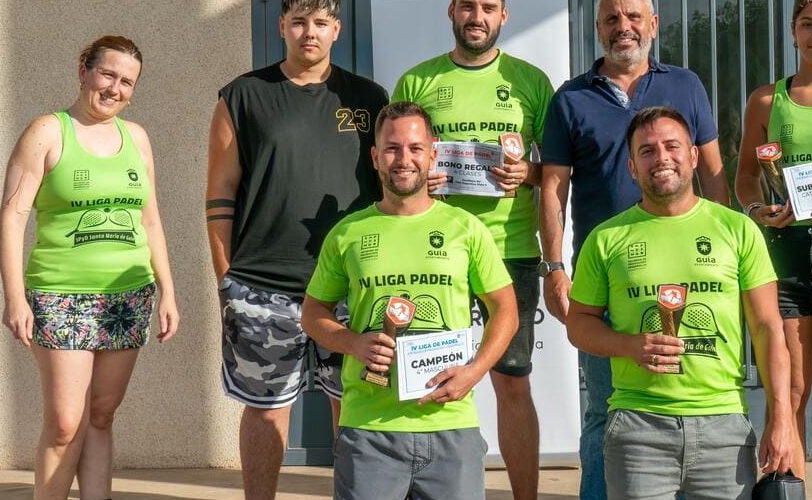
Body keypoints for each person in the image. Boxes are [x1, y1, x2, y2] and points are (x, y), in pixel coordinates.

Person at [538, 1, 727, 496]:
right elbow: (553, 187)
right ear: (598, 28)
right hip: (608, 280)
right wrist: (555, 265)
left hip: (692, 275)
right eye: (612, 19)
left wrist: (727, 240)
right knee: (605, 408)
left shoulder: (685, 86)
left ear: (653, 25)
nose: (624, 28)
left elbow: (712, 171)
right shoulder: (570, 99)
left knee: (696, 403)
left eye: (634, 17)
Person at [204, 0, 387, 497]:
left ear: (337, 31)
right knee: (265, 410)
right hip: (262, 283)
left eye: (321, 23)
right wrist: (227, 275)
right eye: (300, 22)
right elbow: (220, 192)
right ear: (282, 26)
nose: (310, 33)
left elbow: (391, 182)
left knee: (354, 405)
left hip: (350, 285)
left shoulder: (368, 98)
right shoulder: (243, 96)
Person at [567, 107, 798, 499]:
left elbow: (768, 327)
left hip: (723, 424)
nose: (662, 158)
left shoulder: (737, 229)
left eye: (672, 146)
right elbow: (578, 324)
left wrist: (783, 418)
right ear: (631, 168)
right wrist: (629, 346)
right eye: (647, 151)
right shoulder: (606, 239)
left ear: (693, 156)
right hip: (639, 428)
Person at [301, 101, 518, 499]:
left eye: (415, 148)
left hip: (450, 425)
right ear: (375, 157)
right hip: (370, 429)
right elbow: (313, 313)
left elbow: (505, 309)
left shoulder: (465, 229)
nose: (404, 159)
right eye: (392, 148)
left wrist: (474, 372)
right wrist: (353, 342)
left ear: (433, 152)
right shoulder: (347, 233)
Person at [0, 35, 180, 499]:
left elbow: (151, 218)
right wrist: (15, 297)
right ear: (84, 69)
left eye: (127, 82)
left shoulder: (136, 137)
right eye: (107, 74)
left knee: (101, 415)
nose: (115, 88)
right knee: (64, 423)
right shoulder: (47, 131)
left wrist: (168, 291)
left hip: (128, 296)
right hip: (60, 295)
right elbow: (13, 216)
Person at [390, 1, 553, 496]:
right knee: (433, 378)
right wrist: (424, 180)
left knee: (512, 381)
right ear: (451, 13)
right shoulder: (418, 82)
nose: (476, 16)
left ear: (504, 16)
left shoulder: (531, 80)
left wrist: (527, 173)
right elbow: (397, 161)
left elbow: (555, 171)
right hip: (436, 250)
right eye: (467, 6)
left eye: (488, 7)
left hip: (512, 248)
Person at [734, 0, 812, 477]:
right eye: (807, 24)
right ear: (793, 31)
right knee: (791, 389)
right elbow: (746, 176)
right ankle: (787, 487)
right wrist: (756, 211)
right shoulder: (767, 101)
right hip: (787, 249)